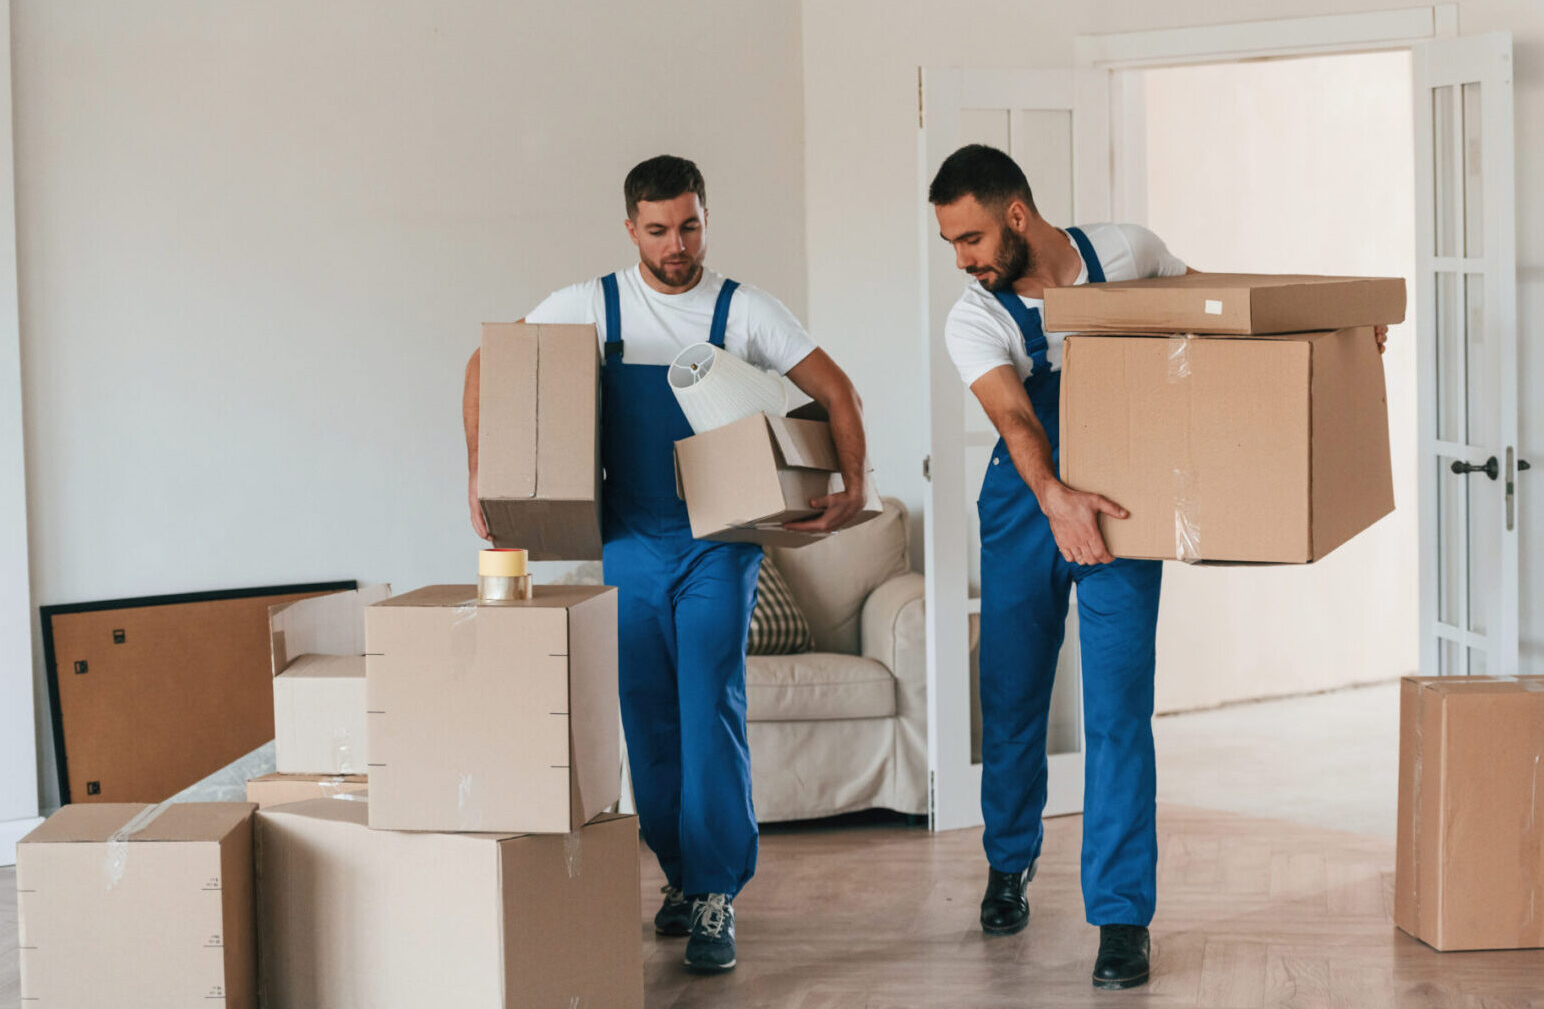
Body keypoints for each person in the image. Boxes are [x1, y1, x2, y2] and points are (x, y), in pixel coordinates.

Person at [931, 144, 1388, 990]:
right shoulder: (975, 317)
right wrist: (1054, 497)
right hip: (1027, 503)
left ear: (1017, 217)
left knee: (1116, 712)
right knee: (1014, 695)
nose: (963, 260)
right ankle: (1008, 862)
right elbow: (1017, 422)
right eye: (953, 244)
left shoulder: (1126, 253)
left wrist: (1340, 334)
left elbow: (1220, 314)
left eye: (970, 239)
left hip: (1123, 502)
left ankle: (1121, 918)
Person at [462, 155, 868, 974]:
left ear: (705, 219)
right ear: (630, 229)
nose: (675, 244)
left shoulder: (744, 310)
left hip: (722, 542)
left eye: (689, 226)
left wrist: (859, 483)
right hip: (629, 539)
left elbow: (838, 391)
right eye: (658, 229)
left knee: (707, 703)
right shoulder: (592, 304)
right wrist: (484, 473)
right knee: (646, 714)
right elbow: (486, 366)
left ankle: (718, 890)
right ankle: (679, 877)